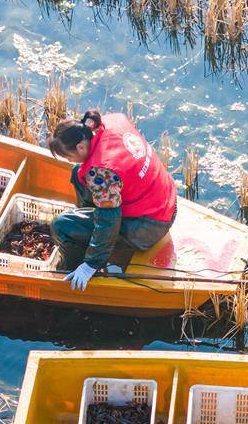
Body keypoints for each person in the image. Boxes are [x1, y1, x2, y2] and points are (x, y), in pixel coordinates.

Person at [46, 111, 177, 291]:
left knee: (62, 226)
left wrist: (91, 263)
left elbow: (109, 220)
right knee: (78, 173)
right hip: (165, 200)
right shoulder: (110, 122)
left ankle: (72, 268)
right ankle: (90, 229)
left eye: (68, 156)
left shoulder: (101, 172)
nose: (69, 160)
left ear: (81, 147)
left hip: (150, 226)